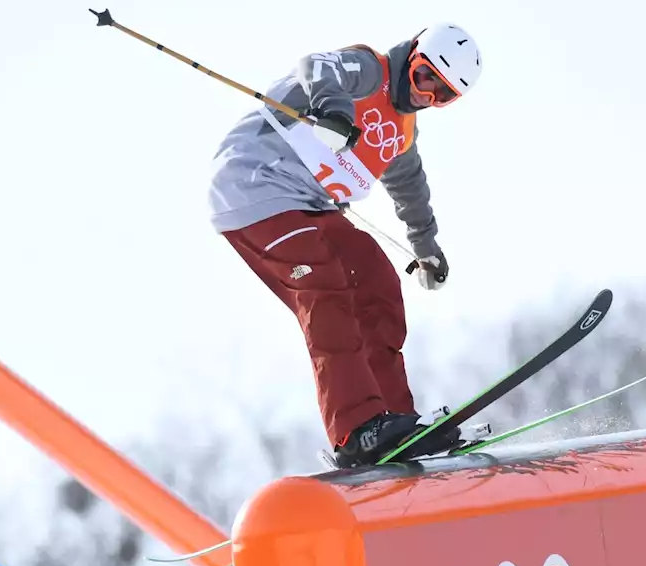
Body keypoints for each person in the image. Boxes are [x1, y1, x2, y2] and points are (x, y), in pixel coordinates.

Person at [207, 23, 483, 468]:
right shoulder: (369, 70)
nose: (425, 95)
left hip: (309, 206)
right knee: (326, 287)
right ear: (410, 57)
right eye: (423, 78)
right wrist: (334, 111)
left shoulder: (402, 132)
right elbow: (316, 66)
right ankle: (355, 428)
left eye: (442, 95)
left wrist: (426, 245)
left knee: (375, 279)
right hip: (255, 185)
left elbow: (409, 185)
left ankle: (393, 420)